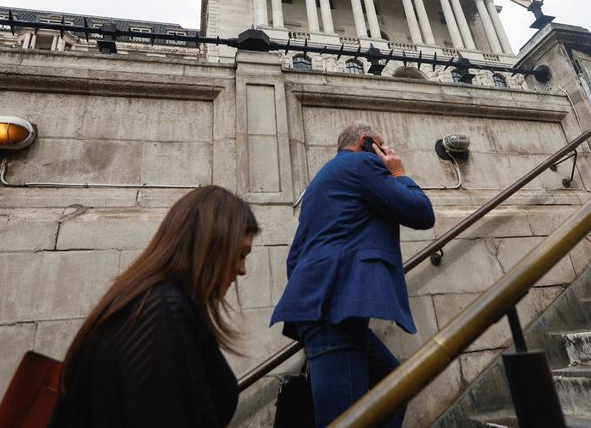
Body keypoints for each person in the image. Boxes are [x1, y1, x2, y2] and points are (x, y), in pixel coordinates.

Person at [50, 186, 259, 428]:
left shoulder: (153, 303)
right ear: (211, 246)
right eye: (241, 255)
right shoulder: (161, 310)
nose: (242, 270)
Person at [271, 121, 435, 427]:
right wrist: (398, 172)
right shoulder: (361, 164)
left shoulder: (320, 183)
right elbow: (421, 213)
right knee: (345, 420)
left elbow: (295, 256)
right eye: (381, 147)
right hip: (336, 311)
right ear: (364, 142)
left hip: (326, 308)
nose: (385, 153)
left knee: (395, 384)